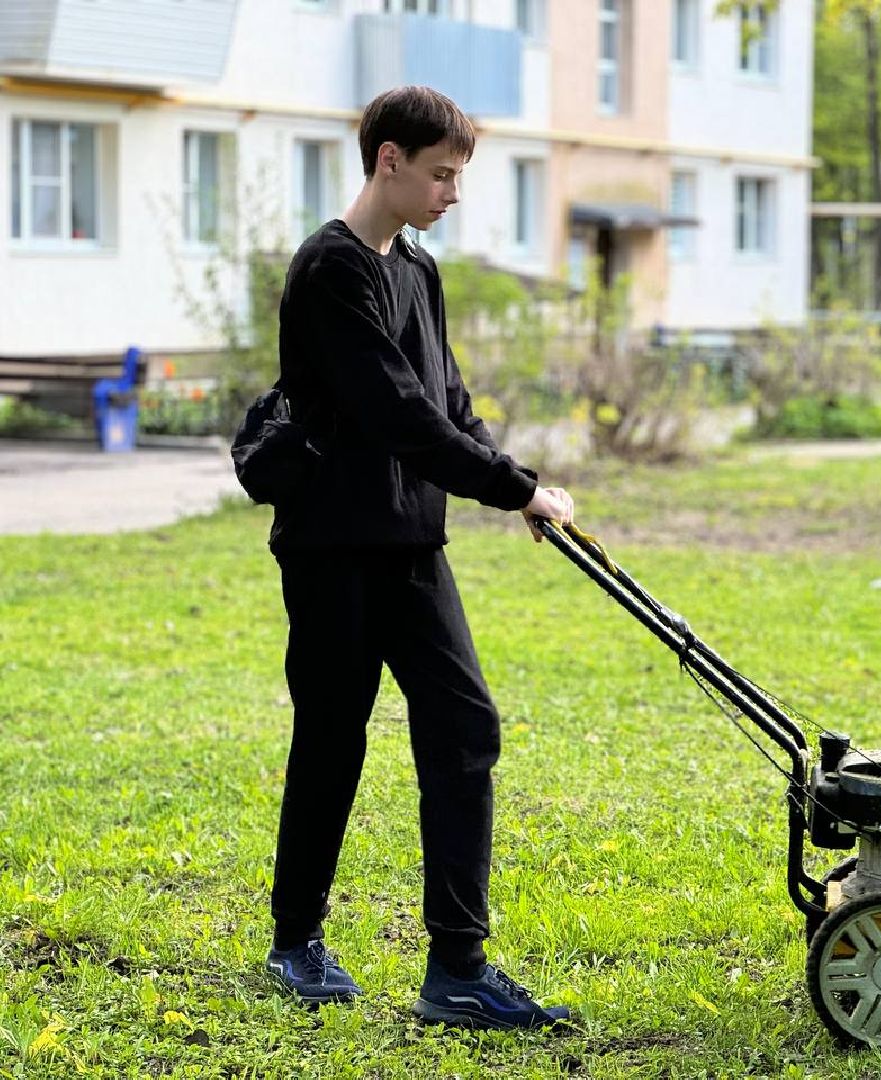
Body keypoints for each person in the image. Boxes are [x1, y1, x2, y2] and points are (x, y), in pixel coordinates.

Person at [260, 85, 575, 1032]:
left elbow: (447, 402)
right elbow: (397, 415)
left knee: (465, 727)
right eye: (441, 174)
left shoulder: (419, 271)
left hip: (409, 544)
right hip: (332, 547)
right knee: (333, 737)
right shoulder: (331, 272)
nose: (452, 192)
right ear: (388, 160)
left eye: (458, 177)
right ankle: (295, 941)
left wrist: (518, 484)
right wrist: (511, 488)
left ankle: (457, 969)